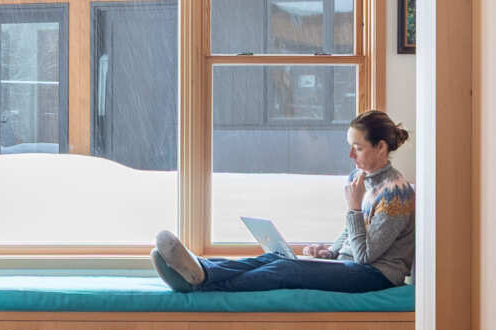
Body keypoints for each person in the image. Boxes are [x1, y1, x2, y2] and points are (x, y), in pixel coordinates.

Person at [152, 110, 415, 295]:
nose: (350, 155)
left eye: (357, 148)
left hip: (376, 276)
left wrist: (354, 208)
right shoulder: (361, 179)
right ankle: (201, 268)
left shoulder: (396, 193)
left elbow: (366, 257)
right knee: (275, 257)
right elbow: (352, 232)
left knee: (286, 269)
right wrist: (331, 251)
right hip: (351, 265)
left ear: (381, 147)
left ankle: (202, 285)